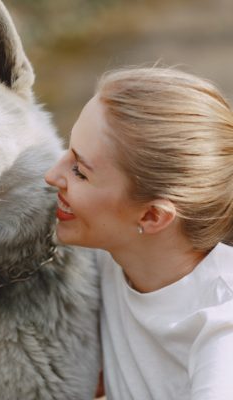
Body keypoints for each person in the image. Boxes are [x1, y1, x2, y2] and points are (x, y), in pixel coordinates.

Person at [45, 66, 233, 399]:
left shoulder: (222, 330)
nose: (51, 175)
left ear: (151, 216)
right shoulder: (110, 255)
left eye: (79, 171)